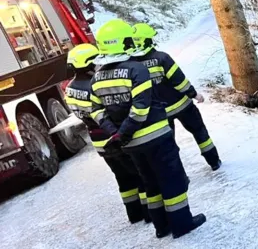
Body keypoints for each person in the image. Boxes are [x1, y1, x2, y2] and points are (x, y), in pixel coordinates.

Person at [90, 19, 206, 239]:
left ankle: (161, 227)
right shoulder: (136, 70)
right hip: (156, 137)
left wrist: (115, 133)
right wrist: (123, 132)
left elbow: (96, 111)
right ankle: (182, 224)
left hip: (131, 146)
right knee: (173, 180)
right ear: (122, 42)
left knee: (150, 183)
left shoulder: (97, 78)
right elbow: (140, 109)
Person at [65, 44, 150, 225]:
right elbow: (107, 112)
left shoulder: (69, 89)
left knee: (123, 178)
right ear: (89, 63)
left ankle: (134, 215)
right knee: (139, 175)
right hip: (113, 137)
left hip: (98, 141)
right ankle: (149, 213)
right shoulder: (93, 85)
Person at [132, 23, 221, 171]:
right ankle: (214, 162)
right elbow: (179, 81)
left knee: (169, 145)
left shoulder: (132, 66)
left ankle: (178, 172)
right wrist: (194, 94)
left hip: (160, 114)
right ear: (147, 40)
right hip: (182, 105)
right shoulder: (162, 58)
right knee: (200, 132)